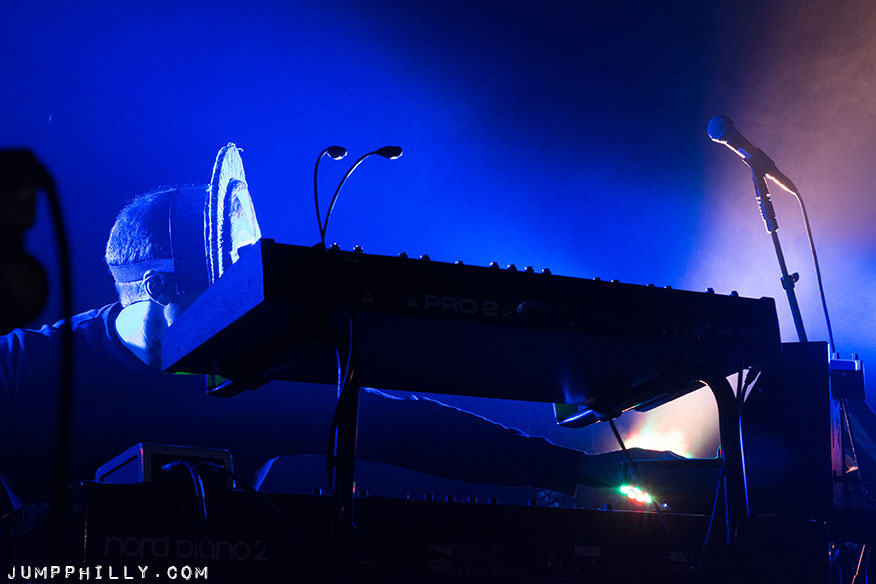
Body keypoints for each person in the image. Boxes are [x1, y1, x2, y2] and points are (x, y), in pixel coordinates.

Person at [0, 157, 672, 512]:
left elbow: (400, 425)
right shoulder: (24, 366)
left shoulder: (249, 375)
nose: (238, 304)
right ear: (158, 285)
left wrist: (581, 469)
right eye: (219, 284)